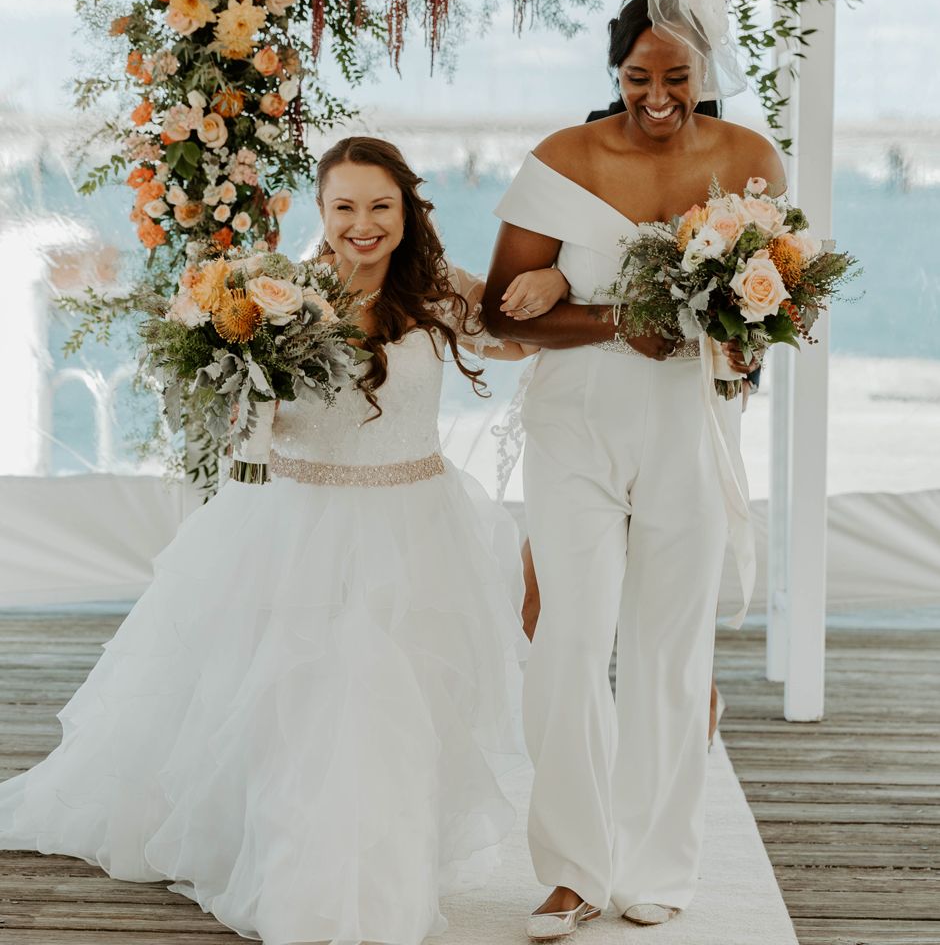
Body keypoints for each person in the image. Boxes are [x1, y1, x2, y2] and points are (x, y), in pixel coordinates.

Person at [0, 136, 569, 945]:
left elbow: (517, 343)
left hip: (415, 528)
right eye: (345, 207)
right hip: (301, 529)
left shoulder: (439, 293)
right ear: (321, 211)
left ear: (407, 211)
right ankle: (313, 874)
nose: (362, 225)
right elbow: (235, 402)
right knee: (313, 704)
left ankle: (380, 867)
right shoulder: (279, 299)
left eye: (381, 206)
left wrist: (555, 279)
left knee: (392, 708)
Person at [482, 0, 785, 938]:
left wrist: (734, 344)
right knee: (568, 638)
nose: (657, 97)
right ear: (615, 70)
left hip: (691, 426)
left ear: (706, 70)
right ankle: (570, 868)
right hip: (573, 424)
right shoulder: (560, 157)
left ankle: (659, 864)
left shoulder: (749, 156)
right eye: (637, 77)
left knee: (668, 648)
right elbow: (500, 308)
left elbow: (766, 306)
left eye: (676, 77)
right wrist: (618, 319)